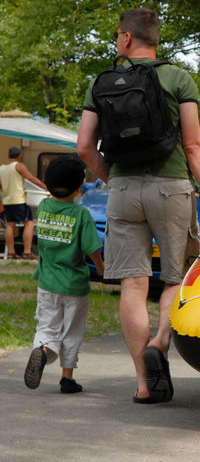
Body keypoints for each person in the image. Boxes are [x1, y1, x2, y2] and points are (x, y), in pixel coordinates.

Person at [77, 7, 200, 404]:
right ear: (155, 38)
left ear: (126, 39)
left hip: (123, 189)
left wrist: (114, 179)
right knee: (174, 278)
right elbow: (194, 146)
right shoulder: (178, 77)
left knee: (133, 283)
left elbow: (84, 147)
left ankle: (144, 382)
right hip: (172, 189)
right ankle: (159, 342)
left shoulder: (102, 83)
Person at [23, 155, 104, 394]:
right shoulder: (81, 215)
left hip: (47, 282)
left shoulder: (45, 208)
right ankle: (67, 378)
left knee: (47, 327)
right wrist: (100, 267)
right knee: (71, 331)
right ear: (80, 187)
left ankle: (43, 351)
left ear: (47, 184)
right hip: (75, 286)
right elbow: (91, 248)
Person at [0, 146, 48, 259]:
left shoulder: (2, 168)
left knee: (10, 225)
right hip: (18, 200)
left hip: (7, 200)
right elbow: (31, 178)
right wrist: (45, 187)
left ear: (9, 155)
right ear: (19, 156)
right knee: (29, 224)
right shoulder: (19, 166)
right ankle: (27, 252)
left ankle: (11, 253)